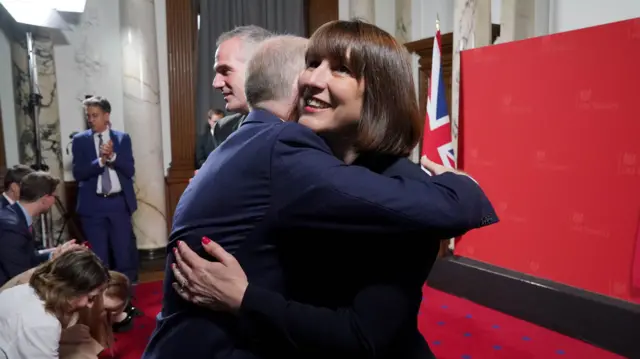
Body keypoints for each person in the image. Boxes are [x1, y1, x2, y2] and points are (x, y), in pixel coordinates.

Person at [144, 25, 496, 359]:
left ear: (378, 93)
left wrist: (245, 298)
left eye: (340, 69)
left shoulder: (404, 191)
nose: (311, 78)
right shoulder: (299, 163)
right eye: (312, 64)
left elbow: (363, 338)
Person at [71, 96, 138, 282]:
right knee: (98, 260)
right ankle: (102, 304)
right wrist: (100, 161)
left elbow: (130, 170)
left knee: (124, 255)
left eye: (95, 115)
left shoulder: (122, 138)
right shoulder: (80, 140)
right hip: (93, 207)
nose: (91, 120)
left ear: (106, 115)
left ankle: (127, 302)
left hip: (118, 204)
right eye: (88, 116)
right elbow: (79, 173)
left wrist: (113, 157)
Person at [0, 250, 111, 359]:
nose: (90, 305)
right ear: (70, 290)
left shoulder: (18, 291)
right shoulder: (44, 325)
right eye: (90, 298)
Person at [0, 171, 82, 287]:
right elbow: (19, 275)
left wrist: (54, 254)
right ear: (45, 199)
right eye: (55, 196)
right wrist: (54, 262)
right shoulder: (11, 226)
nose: (54, 201)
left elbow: (29, 256)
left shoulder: (18, 216)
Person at [209, 26, 273, 150]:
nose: (216, 83)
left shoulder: (303, 128)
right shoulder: (223, 130)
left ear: (262, 69)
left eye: (225, 71)